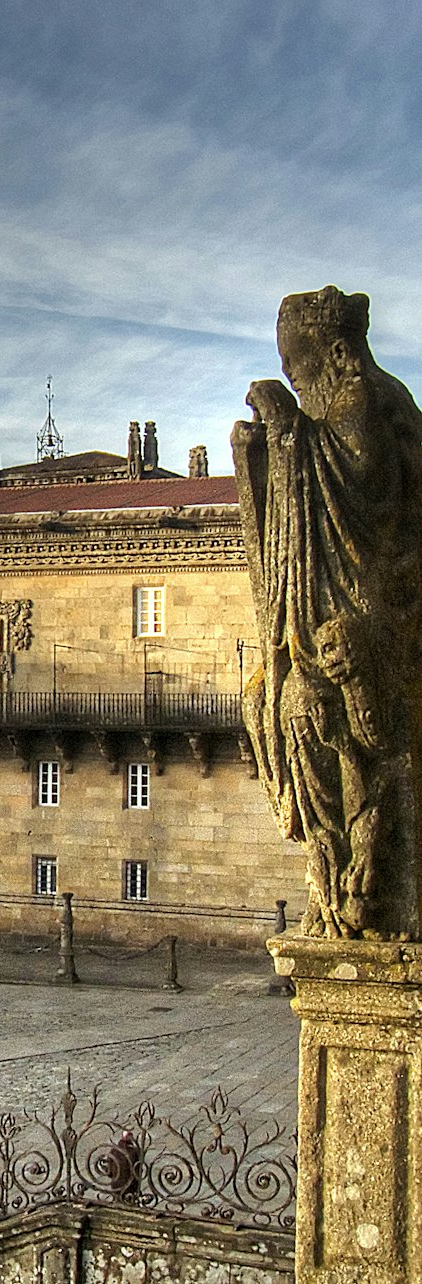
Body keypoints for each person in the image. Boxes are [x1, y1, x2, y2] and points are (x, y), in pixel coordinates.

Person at [232, 286, 422, 938]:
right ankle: (332, 860)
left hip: (363, 616)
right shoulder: (355, 404)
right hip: (323, 617)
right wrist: (263, 450)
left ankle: (361, 867)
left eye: (298, 369)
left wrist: (285, 425)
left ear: (337, 353)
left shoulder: (368, 400)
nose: (294, 380)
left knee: (326, 713)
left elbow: (356, 474)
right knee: (278, 702)